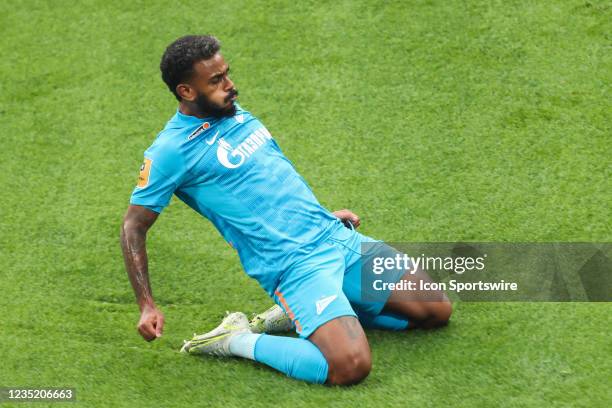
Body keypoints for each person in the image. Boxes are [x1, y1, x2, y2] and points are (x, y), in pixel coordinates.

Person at [120, 35, 451, 386]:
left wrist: (321, 215)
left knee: (435, 309)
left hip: (331, 235)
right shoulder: (171, 151)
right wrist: (147, 304)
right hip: (295, 265)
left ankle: (303, 315)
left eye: (227, 74)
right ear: (186, 91)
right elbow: (133, 226)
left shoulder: (233, 113)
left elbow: (270, 176)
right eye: (216, 81)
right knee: (350, 365)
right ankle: (234, 339)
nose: (230, 86)